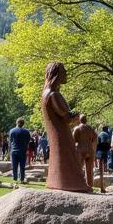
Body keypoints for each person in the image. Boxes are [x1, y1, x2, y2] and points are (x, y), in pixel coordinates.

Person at [41, 62, 89, 193]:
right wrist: (77, 116)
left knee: (62, 157)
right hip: (61, 134)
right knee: (67, 157)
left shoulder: (46, 94)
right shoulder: (53, 95)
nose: (66, 74)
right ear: (56, 75)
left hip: (58, 133)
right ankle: (71, 184)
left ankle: (59, 181)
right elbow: (66, 117)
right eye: (64, 71)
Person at [73, 114, 99, 190]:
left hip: (81, 149)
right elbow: (95, 137)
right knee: (89, 169)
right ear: (86, 120)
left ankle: (78, 184)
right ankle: (89, 186)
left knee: (79, 167)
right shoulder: (91, 128)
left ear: (79, 120)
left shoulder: (77, 128)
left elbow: (73, 139)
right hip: (90, 150)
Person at [8, 118, 31, 183]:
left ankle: (15, 179)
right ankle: (22, 179)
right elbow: (28, 140)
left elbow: (10, 141)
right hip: (23, 151)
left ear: (16, 122)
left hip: (14, 150)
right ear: (23, 124)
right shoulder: (26, 131)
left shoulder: (12, 131)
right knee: (22, 166)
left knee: (14, 166)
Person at [95, 124, 112, 190]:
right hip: (105, 149)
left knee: (100, 160)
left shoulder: (99, 134)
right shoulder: (107, 134)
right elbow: (108, 142)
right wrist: (108, 148)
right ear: (105, 129)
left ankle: (100, 170)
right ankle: (104, 170)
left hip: (100, 149)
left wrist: (97, 149)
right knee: (105, 160)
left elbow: (98, 142)